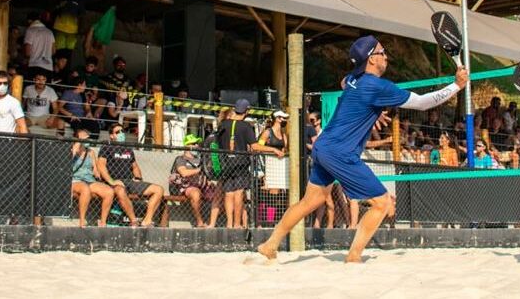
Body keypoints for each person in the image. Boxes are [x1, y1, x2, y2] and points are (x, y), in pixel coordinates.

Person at [258, 35, 468, 263]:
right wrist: (456, 85)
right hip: (340, 152)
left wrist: (372, 111)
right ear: (370, 59)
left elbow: (344, 83)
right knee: (383, 202)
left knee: (310, 202)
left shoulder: (353, 79)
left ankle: (270, 244)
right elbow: (423, 102)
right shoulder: (375, 85)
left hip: (323, 146)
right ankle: (354, 256)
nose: (386, 56)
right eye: (381, 52)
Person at [216, 99, 275, 228]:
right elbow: (255, 146)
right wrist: (274, 149)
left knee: (228, 193)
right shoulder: (245, 126)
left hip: (226, 163)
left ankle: (229, 223)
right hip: (240, 163)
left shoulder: (223, 124)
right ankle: (237, 224)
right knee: (238, 193)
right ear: (246, 111)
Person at [97, 122, 164, 227]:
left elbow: (135, 167)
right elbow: (101, 166)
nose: (121, 133)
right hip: (113, 182)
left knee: (159, 189)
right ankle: (134, 221)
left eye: (122, 131)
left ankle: (147, 220)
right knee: (119, 190)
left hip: (129, 181)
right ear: (111, 135)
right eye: (117, 132)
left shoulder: (128, 149)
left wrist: (138, 178)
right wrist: (111, 181)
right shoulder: (106, 146)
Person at [169, 134, 218, 227]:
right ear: (186, 146)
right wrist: (200, 170)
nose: (196, 146)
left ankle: (213, 222)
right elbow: (184, 173)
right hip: (186, 187)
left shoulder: (200, 159)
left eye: (197, 144)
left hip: (202, 186)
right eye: (193, 143)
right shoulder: (181, 159)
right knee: (195, 193)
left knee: (222, 193)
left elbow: (207, 172)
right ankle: (199, 222)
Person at [70, 128, 115, 227]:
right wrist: (77, 144)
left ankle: (103, 222)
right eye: (84, 138)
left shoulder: (90, 152)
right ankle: (82, 220)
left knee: (109, 191)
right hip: (75, 180)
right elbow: (69, 160)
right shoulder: (72, 150)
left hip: (89, 180)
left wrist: (98, 174)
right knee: (85, 189)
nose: (87, 140)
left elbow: (95, 169)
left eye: (88, 137)